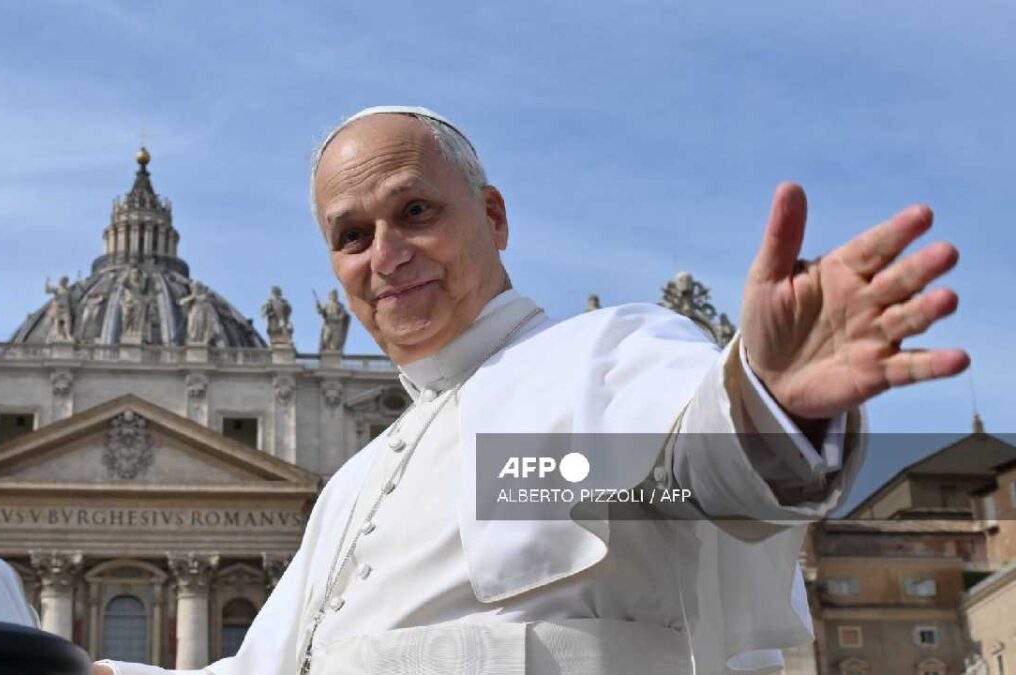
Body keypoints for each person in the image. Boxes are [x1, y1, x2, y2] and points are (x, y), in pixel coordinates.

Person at [95, 107, 966, 675]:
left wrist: (767, 405)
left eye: (417, 213)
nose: (385, 253)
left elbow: (671, 472)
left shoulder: (569, 383)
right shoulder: (352, 487)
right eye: (351, 235)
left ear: (495, 216)